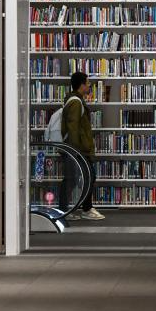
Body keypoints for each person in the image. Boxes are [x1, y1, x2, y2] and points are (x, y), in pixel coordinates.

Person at [62, 71, 104, 220]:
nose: (89, 85)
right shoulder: (75, 103)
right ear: (81, 85)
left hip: (78, 148)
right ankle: (82, 209)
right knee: (85, 177)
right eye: (87, 83)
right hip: (78, 149)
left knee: (81, 178)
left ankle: (71, 209)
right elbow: (73, 128)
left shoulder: (76, 100)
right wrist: (75, 151)